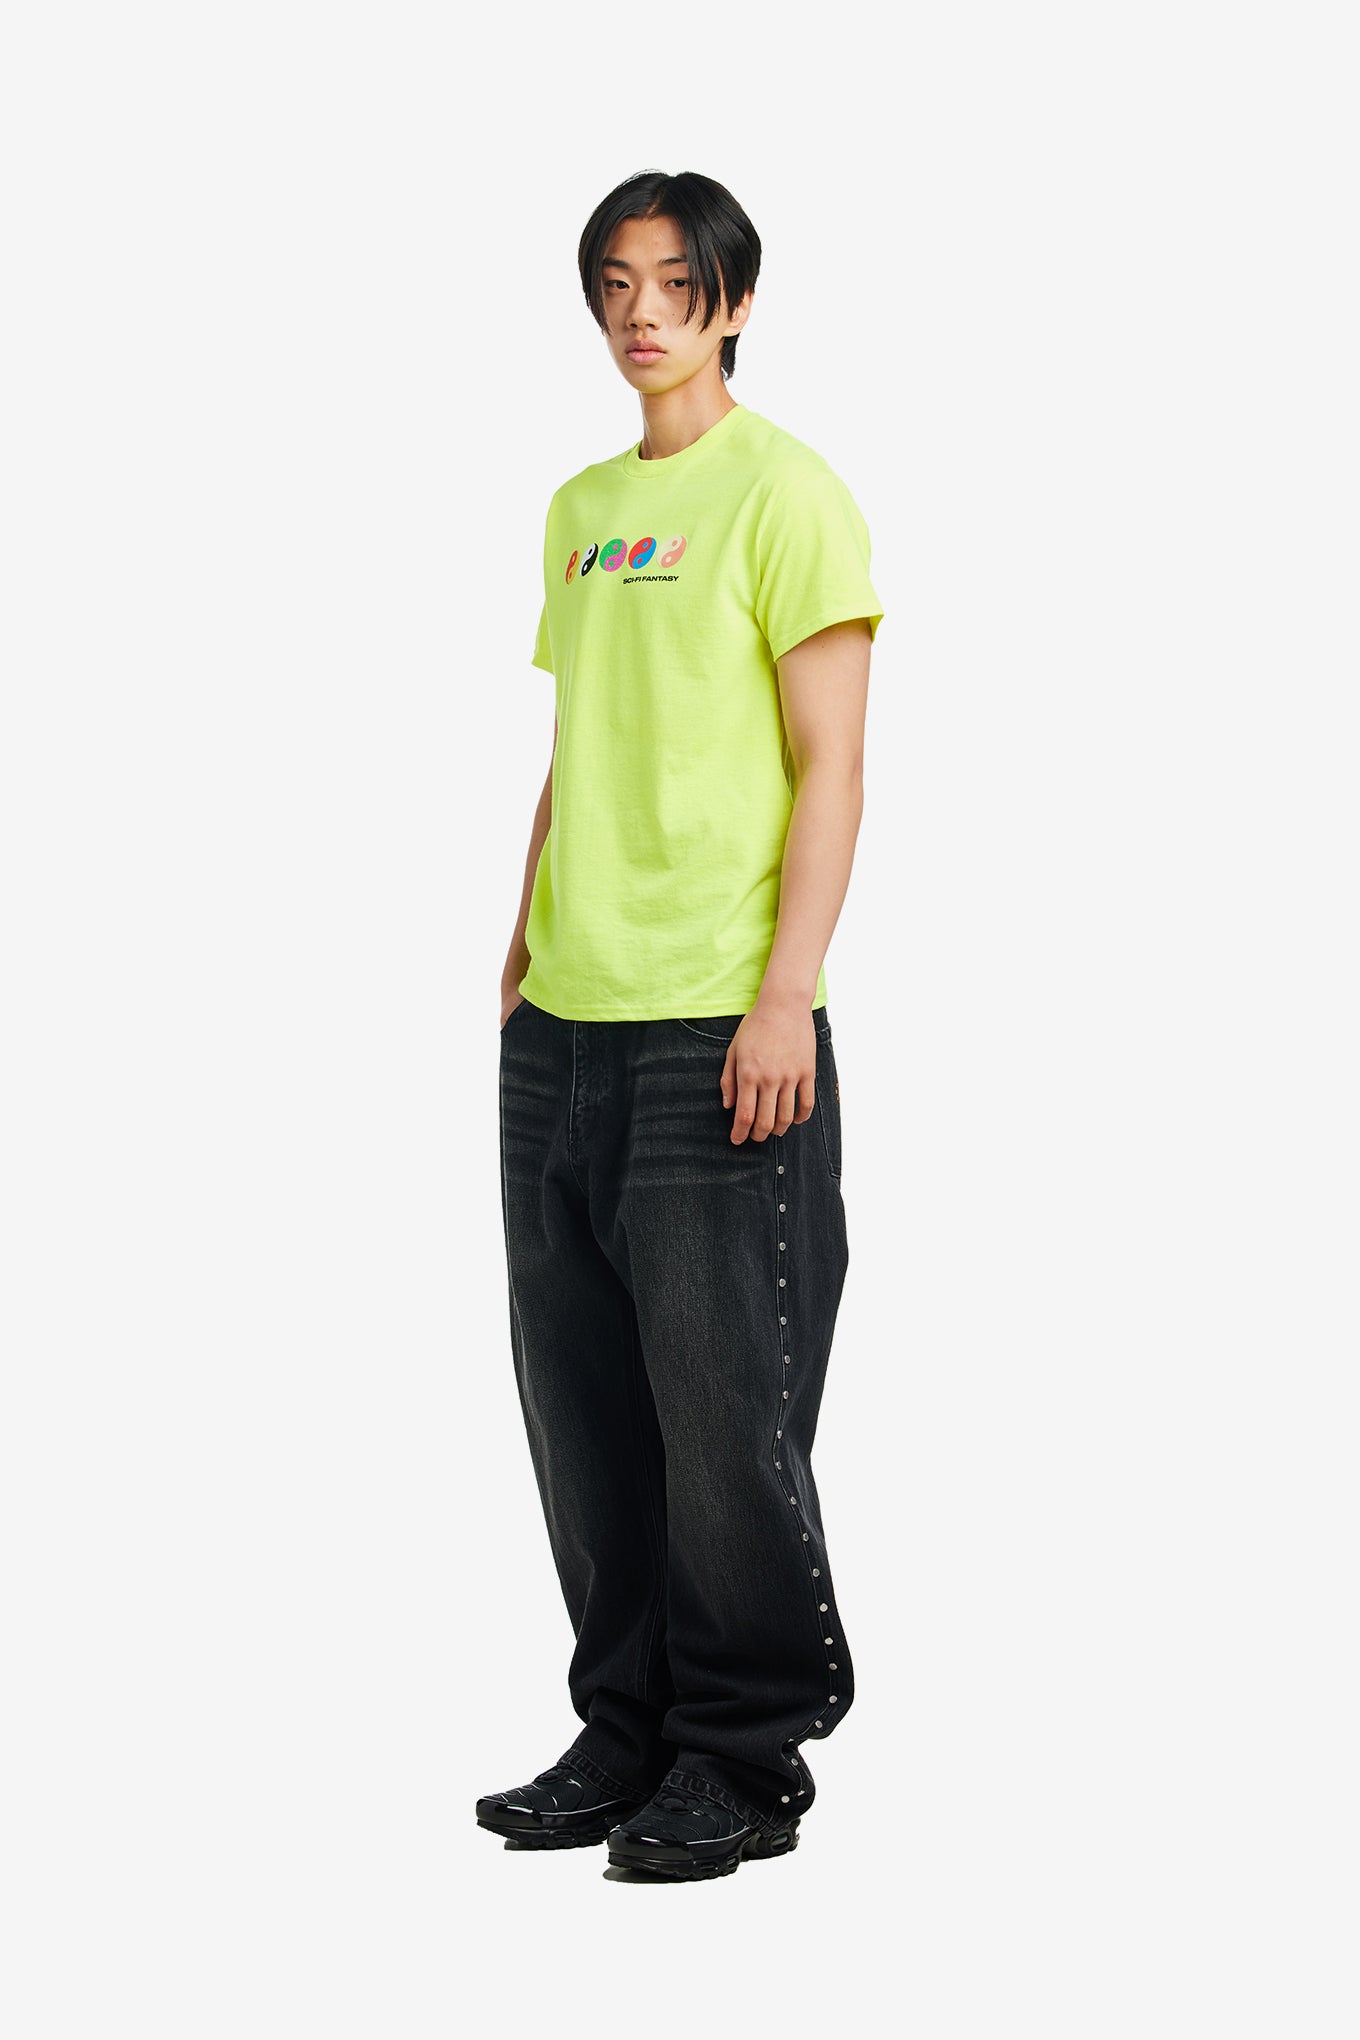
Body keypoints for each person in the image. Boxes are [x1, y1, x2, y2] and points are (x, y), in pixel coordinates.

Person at [477, 168, 883, 1883]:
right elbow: (582, 743)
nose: (642, 311)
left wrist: (785, 991)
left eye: (675, 283)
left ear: (733, 302)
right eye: (616, 283)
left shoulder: (789, 494)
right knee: (581, 1404)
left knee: (725, 1413)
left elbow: (832, 765)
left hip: (720, 1019)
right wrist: (520, 938)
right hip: (563, 1019)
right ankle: (627, 1724)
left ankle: (743, 1750)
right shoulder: (580, 509)